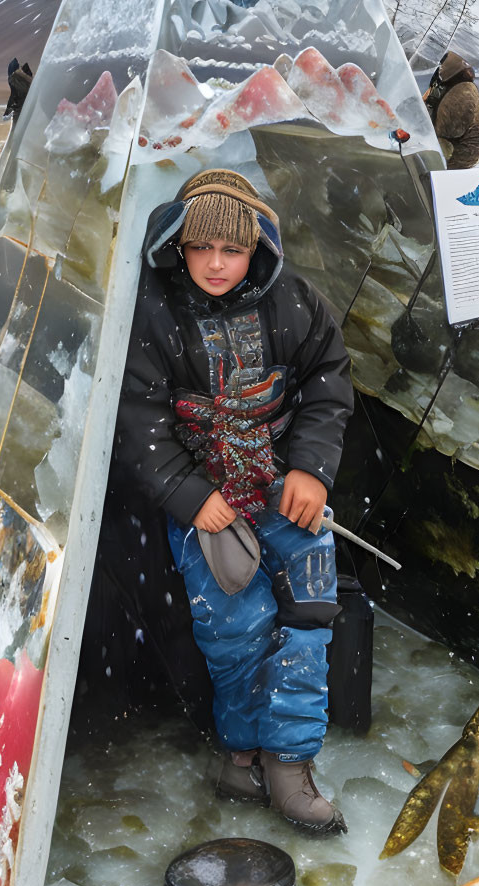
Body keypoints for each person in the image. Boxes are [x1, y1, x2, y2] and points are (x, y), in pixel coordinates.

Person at [114, 169, 354, 834]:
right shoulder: (151, 315)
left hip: (285, 496)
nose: (217, 264)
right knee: (235, 628)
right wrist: (189, 497)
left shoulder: (295, 304)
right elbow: (139, 420)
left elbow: (329, 381)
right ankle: (240, 754)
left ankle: (289, 763)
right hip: (207, 511)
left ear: (257, 250)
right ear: (179, 246)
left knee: (310, 612)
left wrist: (312, 468)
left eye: (233, 249)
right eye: (202, 248)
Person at [424, 51, 479, 170]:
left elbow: (451, 130)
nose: (440, 70)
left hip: (461, 153)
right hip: (458, 148)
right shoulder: (457, 88)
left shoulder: (463, 92)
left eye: (442, 66)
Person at [4, 58, 33, 124]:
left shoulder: (14, 79)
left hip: (21, 109)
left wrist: (7, 112)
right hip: (24, 107)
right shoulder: (24, 80)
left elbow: (13, 95)